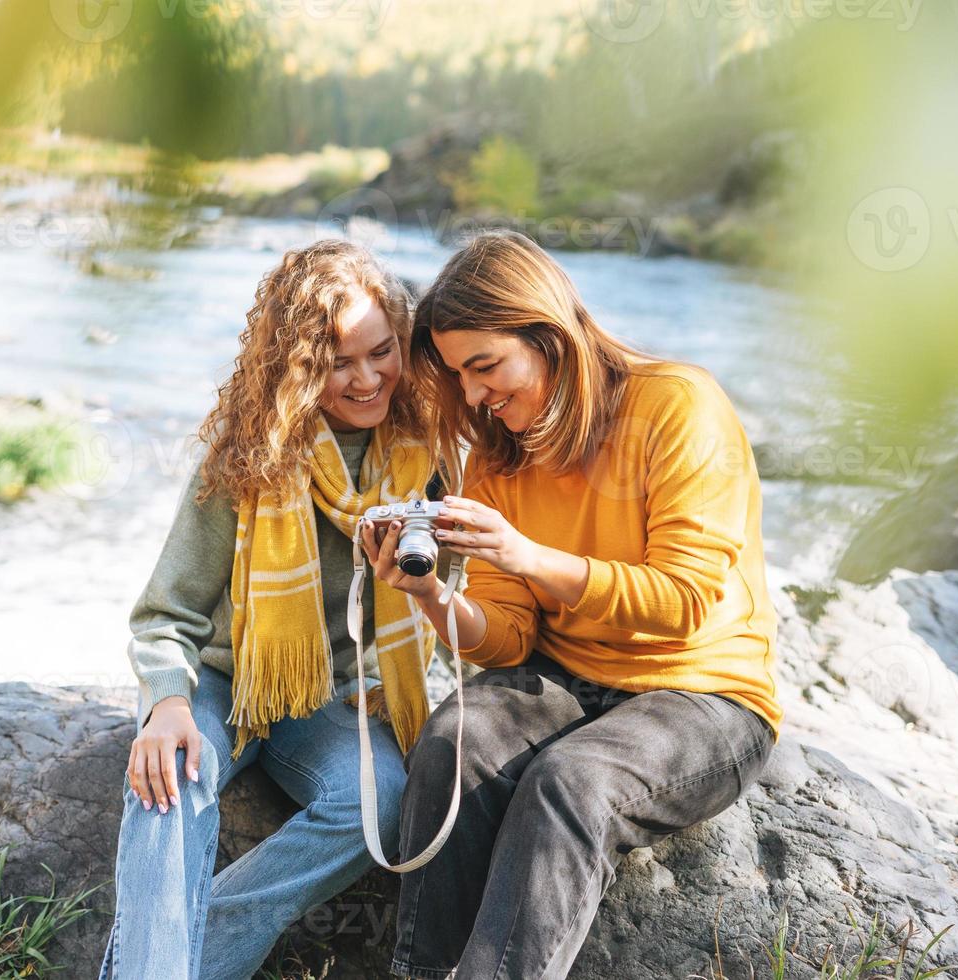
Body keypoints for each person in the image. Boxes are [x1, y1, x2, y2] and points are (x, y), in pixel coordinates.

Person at [361, 230, 782, 980]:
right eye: (460, 376)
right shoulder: (497, 452)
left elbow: (683, 602)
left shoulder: (676, 406)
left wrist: (524, 554)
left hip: (705, 693)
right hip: (570, 676)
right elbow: (509, 638)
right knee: (454, 740)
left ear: (549, 334)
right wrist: (429, 594)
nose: (475, 395)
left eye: (485, 366)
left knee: (571, 781)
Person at [100, 240, 441, 980]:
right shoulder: (247, 457)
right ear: (297, 369)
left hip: (334, 699)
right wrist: (165, 703)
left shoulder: (426, 454)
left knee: (378, 800)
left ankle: (184, 958)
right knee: (170, 784)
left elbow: (459, 602)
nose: (367, 378)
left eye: (382, 352)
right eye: (336, 363)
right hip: (227, 683)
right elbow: (166, 613)